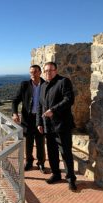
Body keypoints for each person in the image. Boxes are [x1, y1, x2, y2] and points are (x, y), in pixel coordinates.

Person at [37, 62, 77, 191]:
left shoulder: (64, 81)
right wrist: (39, 123)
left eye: (51, 70)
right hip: (48, 126)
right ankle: (56, 174)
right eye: (46, 71)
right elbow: (40, 106)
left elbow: (69, 100)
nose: (48, 73)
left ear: (56, 70)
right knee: (52, 152)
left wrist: (53, 110)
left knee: (65, 153)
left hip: (62, 125)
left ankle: (71, 178)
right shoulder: (43, 86)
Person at [12, 65, 45, 172]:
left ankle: (41, 163)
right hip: (28, 119)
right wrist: (15, 113)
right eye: (31, 72)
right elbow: (15, 100)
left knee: (40, 142)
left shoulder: (46, 85)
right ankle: (29, 161)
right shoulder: (25, 85)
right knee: (29, 142)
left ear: (40, 72)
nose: (33, 74)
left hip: (41, 118)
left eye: (35, 72)